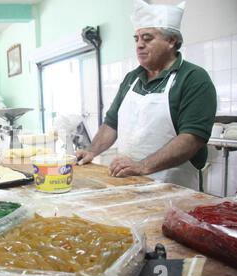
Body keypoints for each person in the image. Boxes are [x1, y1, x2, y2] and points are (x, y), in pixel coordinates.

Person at [77, 0, 217, 191]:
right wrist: (91, 151)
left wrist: (143, 166)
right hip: (129, 184)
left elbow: (191, 138)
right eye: (137, 39)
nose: (139, 45)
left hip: (174, 190)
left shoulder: (193, 78)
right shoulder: (132, 78)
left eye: (148, 38)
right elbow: (111, 124)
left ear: (171, 41)